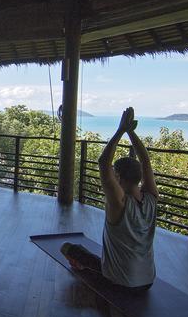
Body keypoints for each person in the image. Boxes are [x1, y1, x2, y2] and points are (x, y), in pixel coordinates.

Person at [61, 107, 159, 291]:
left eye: (115, 175)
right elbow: (146, 162)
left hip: (120, 282)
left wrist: (121, 130)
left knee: (67, 248)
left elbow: (103, 162)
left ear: (119, 177)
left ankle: (83, 267)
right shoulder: (152, 199)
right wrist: (131, 133)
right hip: (148, 282)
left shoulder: (119, 203)